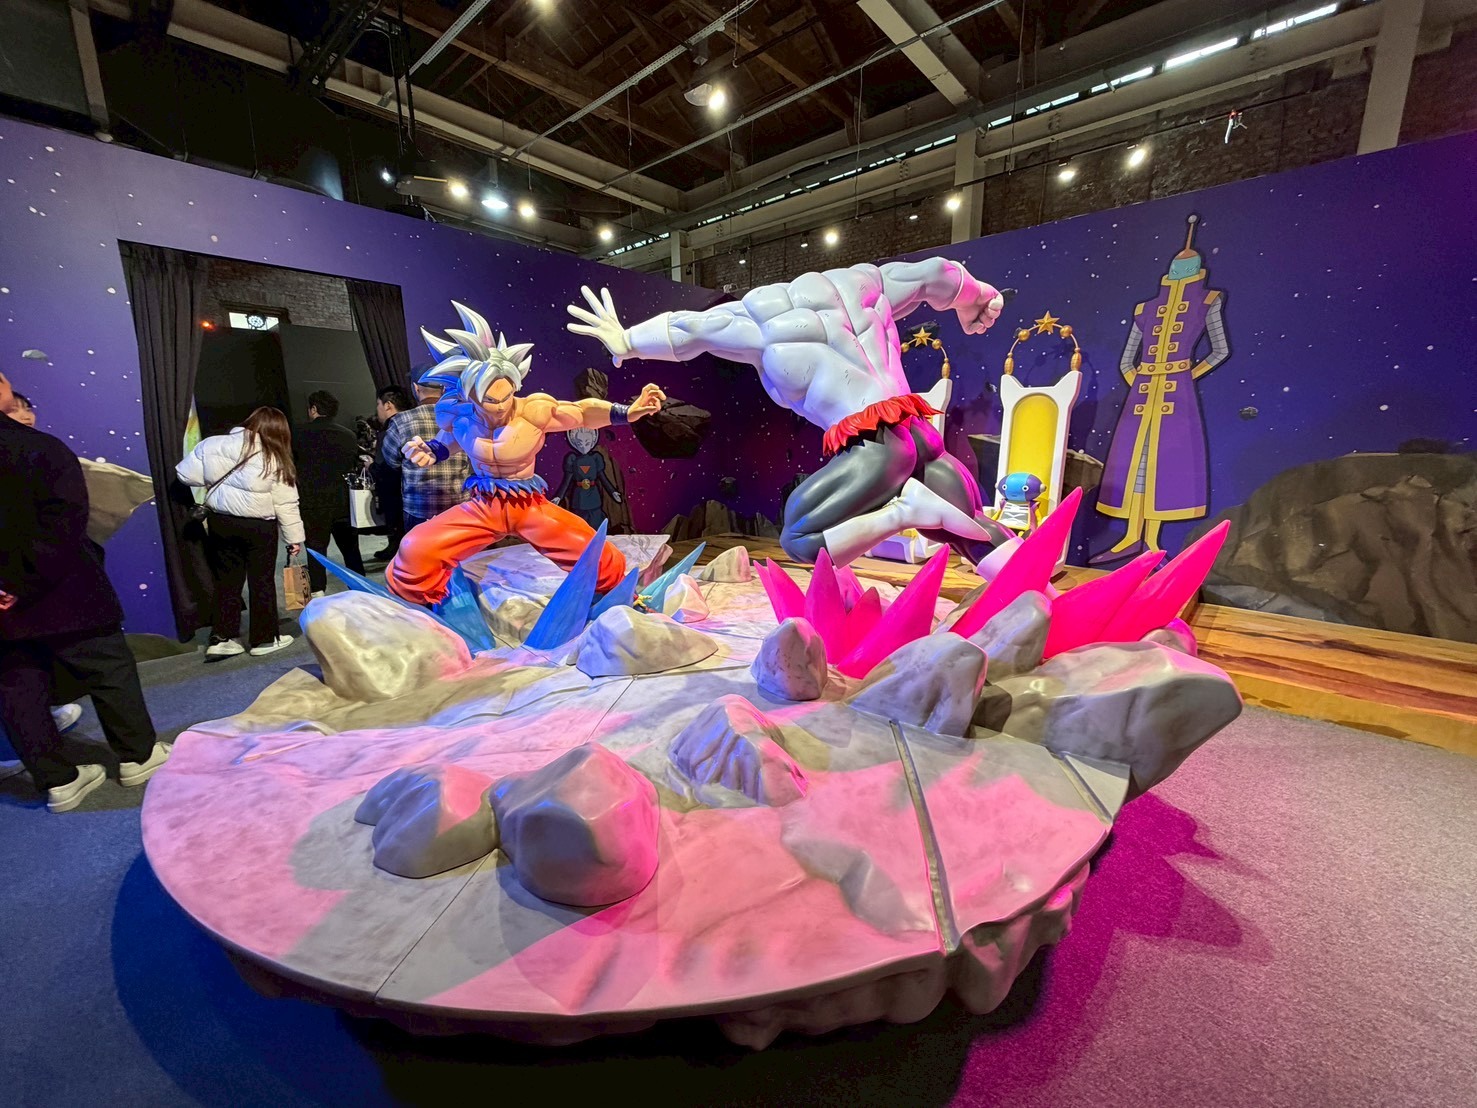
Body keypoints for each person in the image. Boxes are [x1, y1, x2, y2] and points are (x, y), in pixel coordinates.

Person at [566, 258, 1014, 567]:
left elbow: (690, 329)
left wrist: (627, 341)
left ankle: (905, 512)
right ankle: (1035, 595)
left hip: (874, 445)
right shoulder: (867, 285)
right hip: (919, 433)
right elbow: (936, 273)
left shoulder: (759, 320)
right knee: (972, 528)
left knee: (799, 537)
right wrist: (978, 298)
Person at [386, 303, 665, 607]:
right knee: (415, 548)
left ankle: (618, 599)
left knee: (597, 555)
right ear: (470, 394)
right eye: (490, 400)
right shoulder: (459, 416)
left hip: (527, 504)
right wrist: (430, 451)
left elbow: (583, 412)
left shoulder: (533, 411)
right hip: (484, 504)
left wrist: (628, 412)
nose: (501, 406)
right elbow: (446, 443)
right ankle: (424, 607)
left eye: (507, 395)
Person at [0, 370, 168, 812]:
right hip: (64, 592)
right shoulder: (40, 449)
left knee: (17, 685)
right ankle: (138, 755)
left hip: (7, 610)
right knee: (107, 668)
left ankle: (57, 781)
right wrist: (19, 583)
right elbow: (64, 524)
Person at [177, 406, 302, 660]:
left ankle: (222, 638)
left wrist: (215, 479)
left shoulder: (211, 444)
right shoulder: (274, 455)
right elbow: (286, 503)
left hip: (221, 522)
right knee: (262, 582)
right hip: (260, 527)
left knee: (226, 581)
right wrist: (294, 539)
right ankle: (264, 639)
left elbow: (184, 474)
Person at [293, 390, 365, 595]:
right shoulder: (348, 435)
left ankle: (318, 593)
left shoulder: (298, 433)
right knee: (351, 550)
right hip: (343, 501)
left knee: (316, 551)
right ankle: (361, 590)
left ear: (314, 409)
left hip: (312, 502)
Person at [381, 375, 471, 535]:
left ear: (416, 388)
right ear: (443, 389)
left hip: (419, 509)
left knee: (420, 551)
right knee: (464, 551)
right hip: (459, 507)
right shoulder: (461, 419)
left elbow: (391, 460)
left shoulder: (401, 420)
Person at [370, 385, 413, 560]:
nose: (378, 410)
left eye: (378, 405)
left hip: (396, 494)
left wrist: (370, 466)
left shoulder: (391, 428)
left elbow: (385, 466)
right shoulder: (414, 421)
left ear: (388, 405)